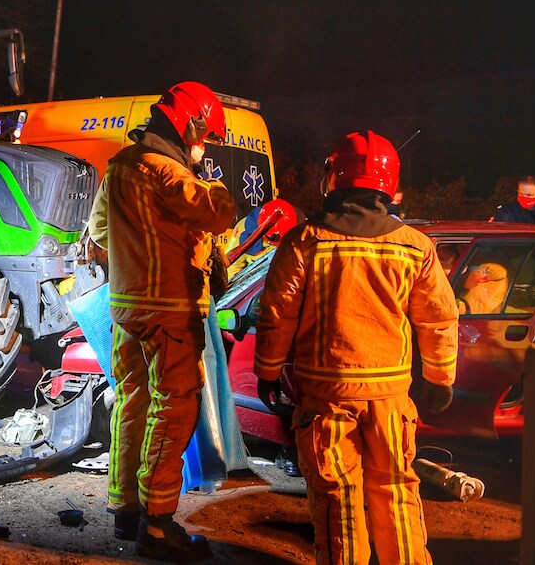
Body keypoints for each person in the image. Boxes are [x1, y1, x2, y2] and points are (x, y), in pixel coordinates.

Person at [254, 131, 458, 565]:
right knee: (396, 490)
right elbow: (438, 317)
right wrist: (439, 379)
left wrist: (268, 371)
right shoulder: (415, 247)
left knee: (338, 497)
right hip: (390, 398)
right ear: (389, 183)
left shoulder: (305, 241)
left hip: (328, 398)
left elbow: (277, 313)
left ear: (333, 178)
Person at [87, 81, 238, 561]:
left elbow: (99, 237)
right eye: (204, 136)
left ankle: (125, 508)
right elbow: (220, 210)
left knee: (132, 404)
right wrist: (209, 179)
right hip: (169, 313)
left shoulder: (120, 169)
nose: (203, 146)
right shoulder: (167, 173)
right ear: (190, 125)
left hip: (127, 310)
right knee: (173, 412)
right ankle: (156, 526)